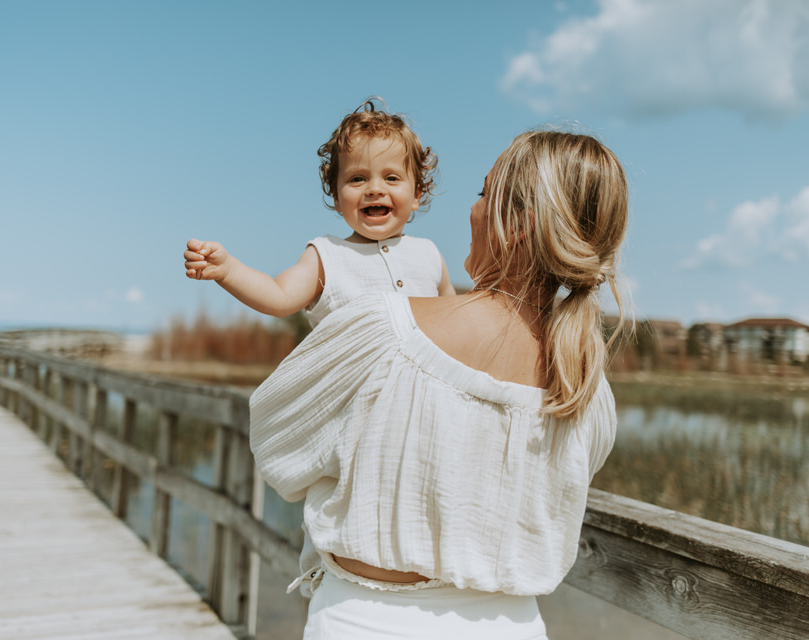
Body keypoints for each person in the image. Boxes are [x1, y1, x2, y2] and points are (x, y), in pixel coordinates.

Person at [249, 129, 629, 639]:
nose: (470, 212)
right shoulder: (586, 383)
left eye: (482, 193)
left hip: (369, 623)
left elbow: (277, 447)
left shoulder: (382, 327)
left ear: (517, 223)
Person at [183, 98, 455, 331]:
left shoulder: (429, 255)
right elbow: (279, 296)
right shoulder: (326, 255)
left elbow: (456, 319)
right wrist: (228, 270)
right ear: (336, 197)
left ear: (417, 195)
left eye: (392, 178)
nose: (375, 189)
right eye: (358, 179)